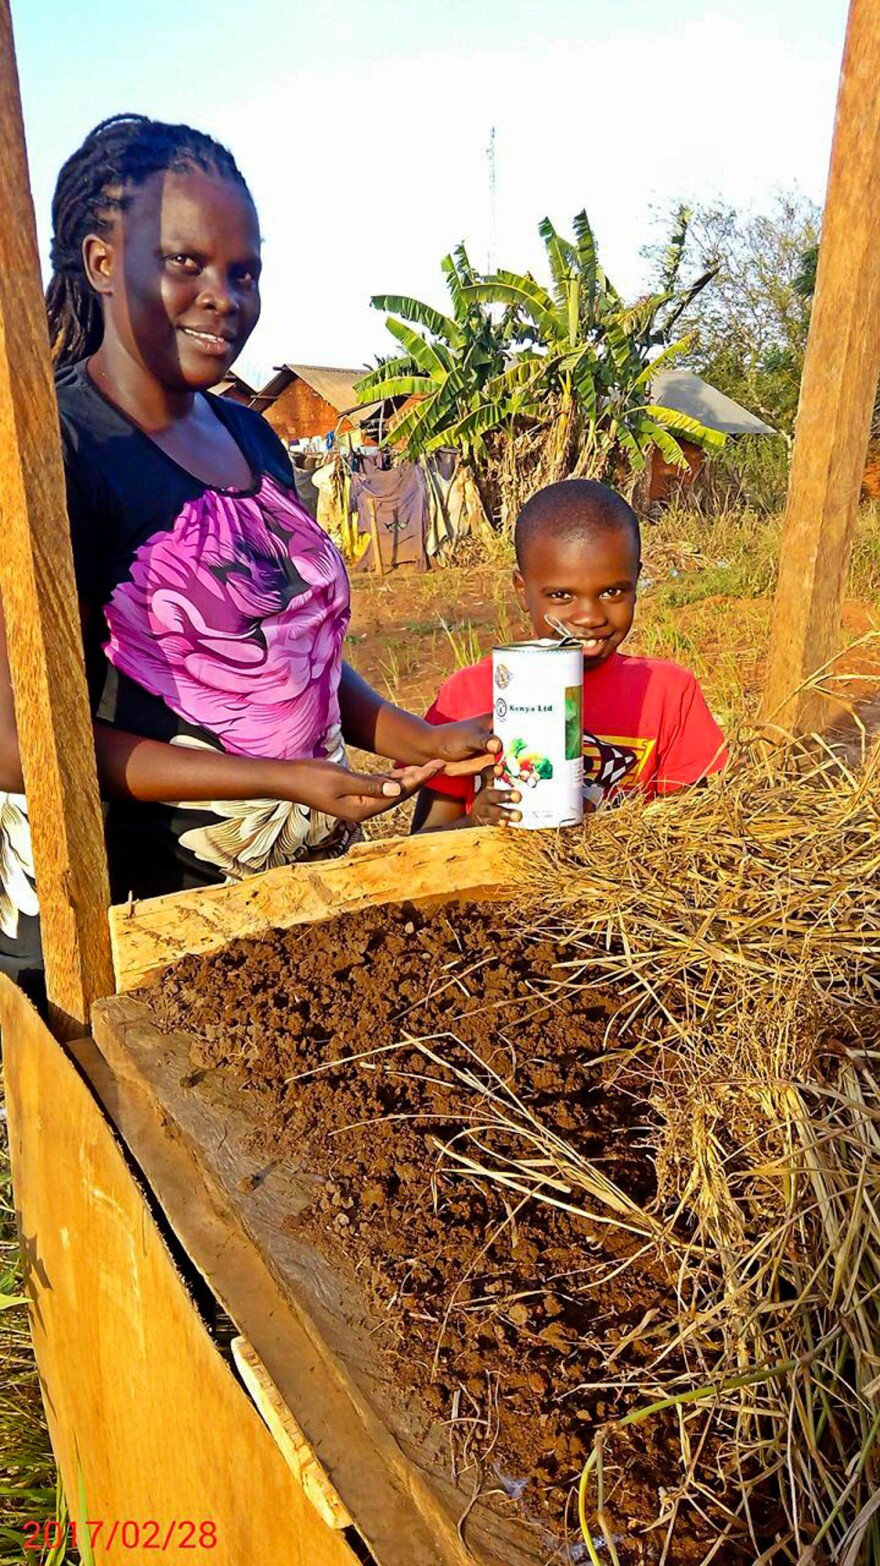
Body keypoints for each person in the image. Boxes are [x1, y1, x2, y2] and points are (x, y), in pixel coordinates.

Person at [0, 115, 493, 992]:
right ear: (102, 262)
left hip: (283, 899)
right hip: (136, 922)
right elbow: (15, 739)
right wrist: (280, 778)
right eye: (185, 262)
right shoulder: (58, 452)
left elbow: (297, 651)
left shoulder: (250, 435)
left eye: (244, 271)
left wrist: (413, 735)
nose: (224, 296)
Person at [412, 479, 726, 832]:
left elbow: (694, 832)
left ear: (636, 581)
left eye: (612, 592)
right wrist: (477, 823)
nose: (589, 617)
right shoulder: (467, 695)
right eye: (561, 595)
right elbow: (422, 842)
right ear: (522, 590)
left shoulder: (668, 692)